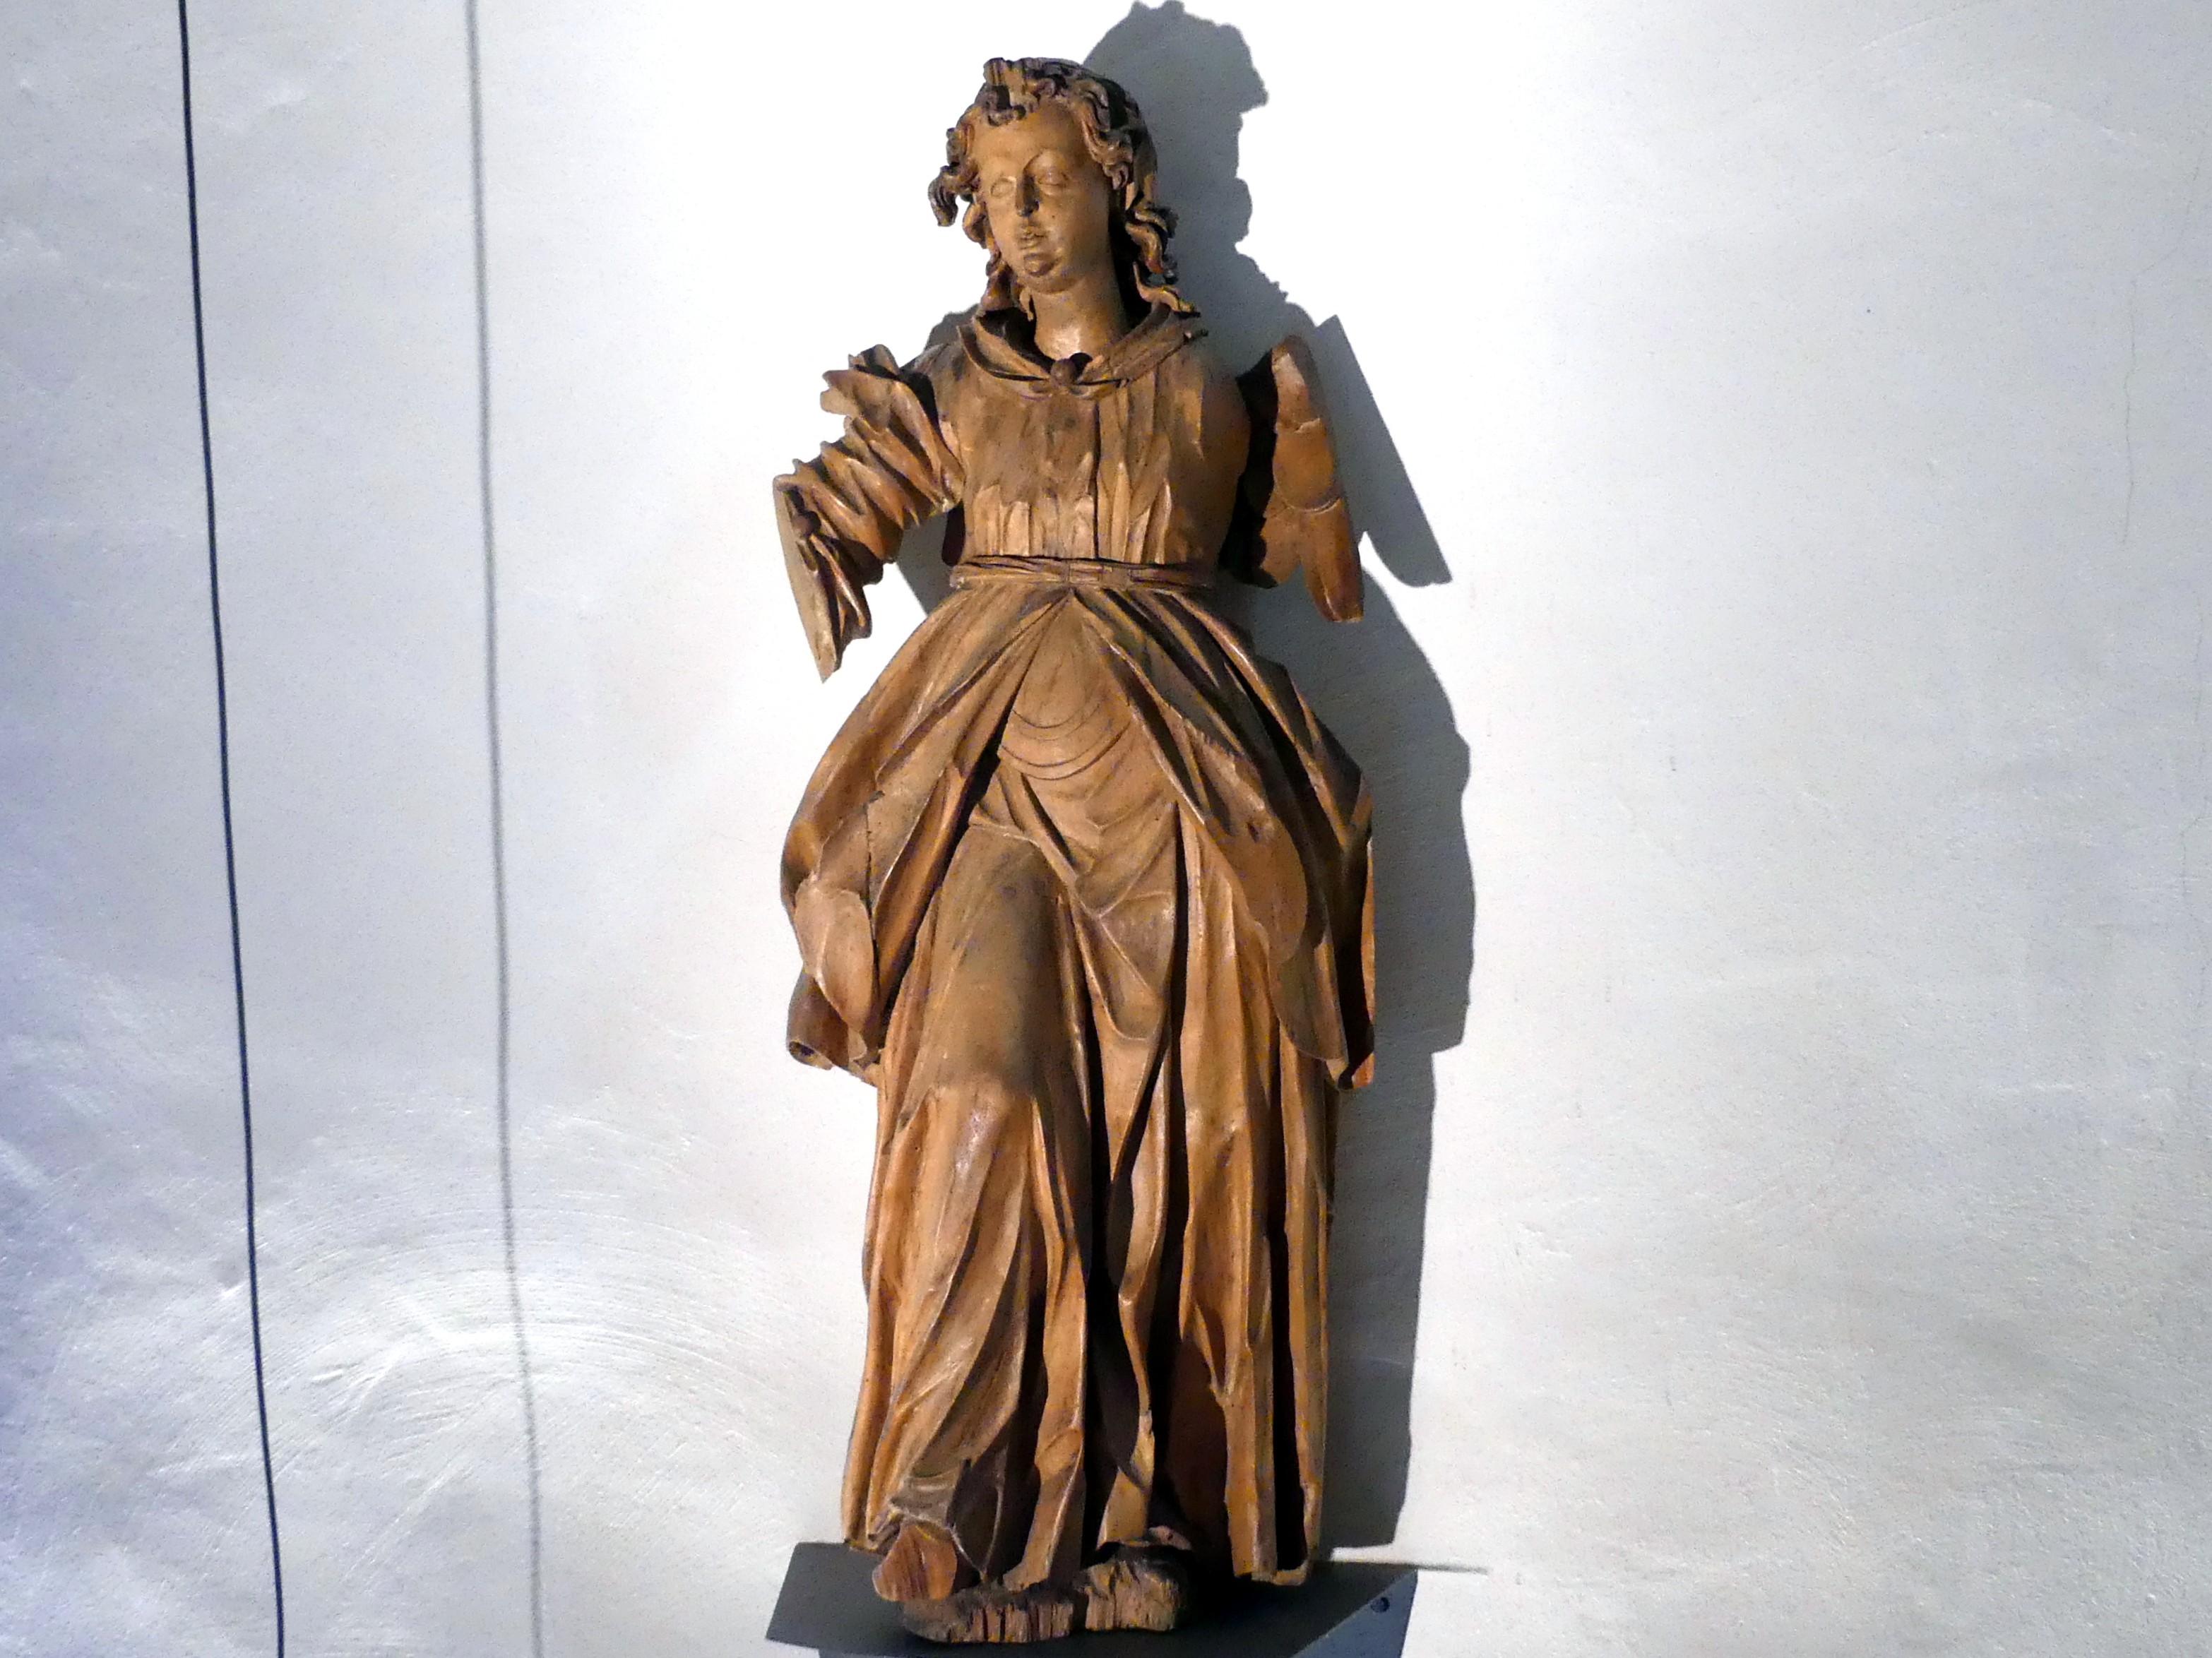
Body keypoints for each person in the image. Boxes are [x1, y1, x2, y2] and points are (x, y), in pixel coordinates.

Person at [773, 55, 1374, 1644]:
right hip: (992, 790)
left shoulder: (1217, 389)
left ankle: (1139, 1519)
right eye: (996, 192)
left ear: (1118, 185)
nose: (1024, 217)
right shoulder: (953, 383)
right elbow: (855, 501)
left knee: (1170, 1154)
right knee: (978, 1092)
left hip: (1177, 795)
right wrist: (825, 523)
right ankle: (949, 1495)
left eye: (1049, 180)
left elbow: (1295, 551)